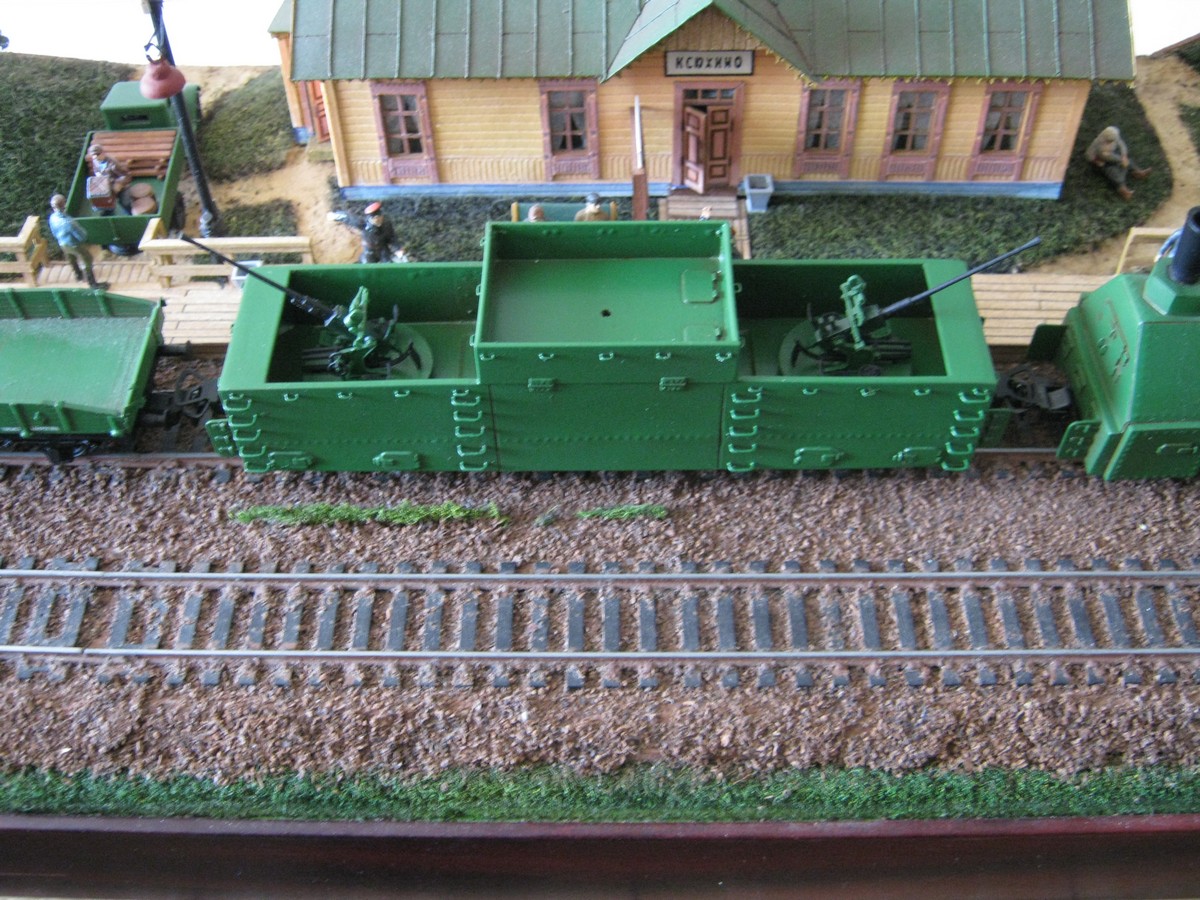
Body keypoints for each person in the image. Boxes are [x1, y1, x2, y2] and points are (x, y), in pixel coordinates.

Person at [47, 194, 105, 289]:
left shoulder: (52, 217)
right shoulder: (69, 222)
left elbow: (54, 232)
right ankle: (92, 283)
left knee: (71, 258)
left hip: (62, 243)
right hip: (74, 244)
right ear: (64, 204)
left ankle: (78, 275)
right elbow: (81, 236)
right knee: (87, 259)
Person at [1085, 126, 1151, 200]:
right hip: (1103, 162)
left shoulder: (1115, 138)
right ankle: (1123, 190)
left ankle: (1137, 172)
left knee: (1128, 162)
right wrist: (1096, 161)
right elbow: (1088, 154)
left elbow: (1121, 145)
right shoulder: (1097, 143)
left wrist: (1124, 155)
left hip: (1113, 156)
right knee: (1113, 173)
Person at [328, 201, 402, 263]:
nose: (379, 219)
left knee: (389, 264)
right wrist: (335, 216)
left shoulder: (387, 225)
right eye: (376, 218)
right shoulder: (363, 225)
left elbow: (392, 238)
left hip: (383, 249)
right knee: (367, 265)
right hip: (370, 251)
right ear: (372, 219)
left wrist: (398, 249)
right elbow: (349, 218)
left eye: (380, 216)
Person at [86, 142, 132, 215]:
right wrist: (99, 175)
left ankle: (130, 213)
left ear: (103, 153)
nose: (95, 157)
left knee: (125, 203)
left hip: (120, 186)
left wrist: (119, 184)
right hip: (107, 185)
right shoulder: (96, 161)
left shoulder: (113, 164)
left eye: (97, 155)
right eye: (93, 156)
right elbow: (96, 170)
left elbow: (126, 176)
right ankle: (109, 211)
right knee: (106, 202)